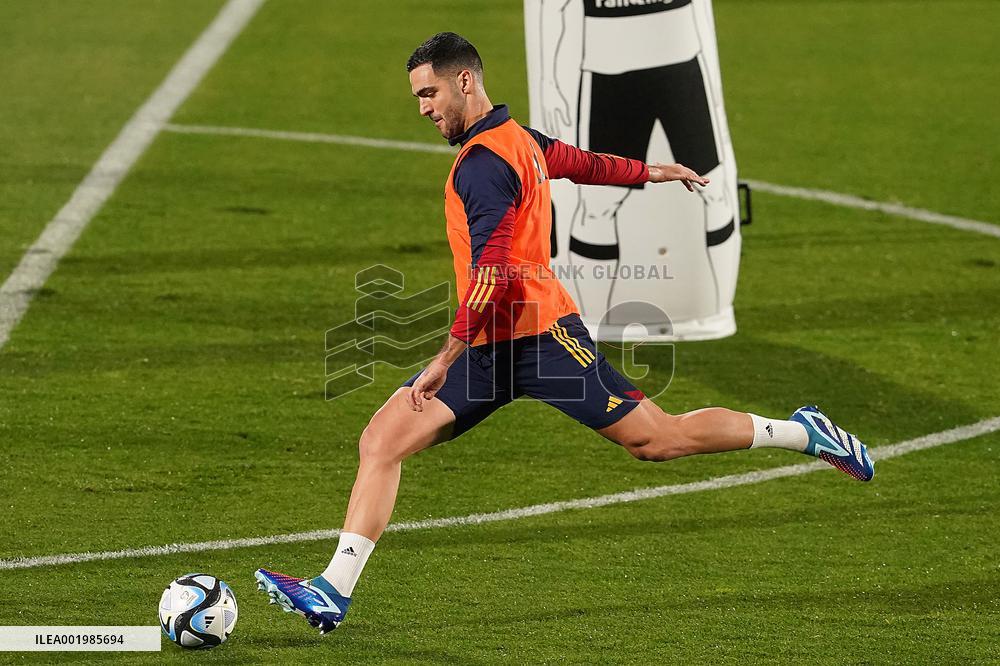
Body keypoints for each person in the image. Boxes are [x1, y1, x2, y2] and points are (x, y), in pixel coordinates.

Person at [255, 32, 873, 635]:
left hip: (544, 341)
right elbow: (580, 163)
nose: (424, 110)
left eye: (428, 94)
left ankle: (800, 432)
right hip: (492, 348)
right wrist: (653, 172)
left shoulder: (482, 166)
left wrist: (445, 354)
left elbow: (494, 266)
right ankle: (333, 590)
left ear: (464, 81)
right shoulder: (515, 139)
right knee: (382, 441)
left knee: (658, 440)